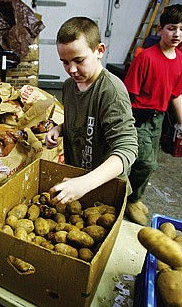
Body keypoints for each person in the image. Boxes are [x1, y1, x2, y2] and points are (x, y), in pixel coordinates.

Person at [45, 17, 138, 208]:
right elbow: (83, 120)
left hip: (104, 185)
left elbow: (127, 148)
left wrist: (85, 183)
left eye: (79, 60)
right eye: (65, 62)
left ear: (99, 51)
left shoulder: (111, 91)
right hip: (77, 178)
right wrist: (60, 129)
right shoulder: (70, 86)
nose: (71, 69)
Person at [123, 4, 182, 225]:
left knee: (150, 161)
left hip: (158, 119)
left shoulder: (180, 59)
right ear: (160, 29)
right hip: (139, 117)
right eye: (172, 28)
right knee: (145, 163)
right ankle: (130, 200)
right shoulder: (146, 58)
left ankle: (135, 196)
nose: (177, 34)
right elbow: (126, 95)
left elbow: (176, 93)